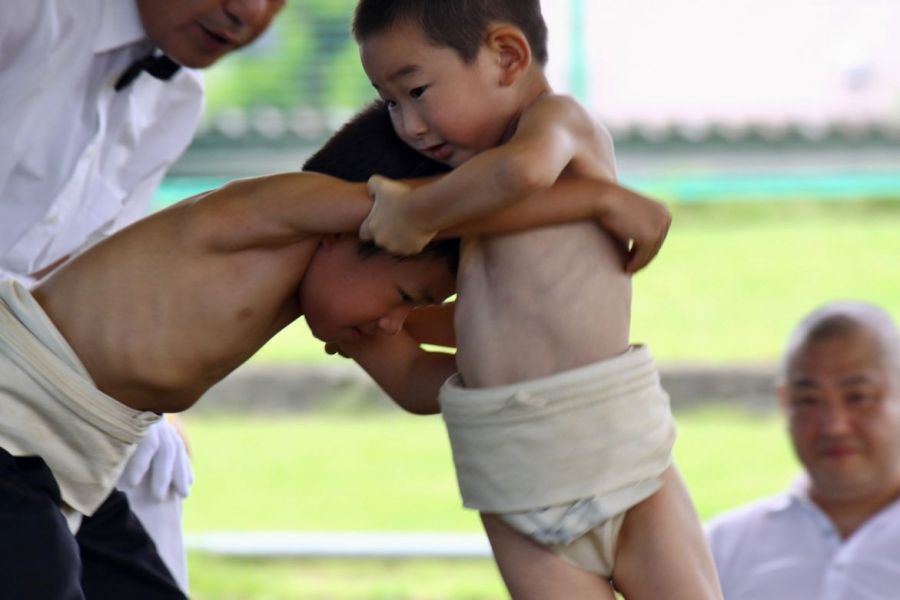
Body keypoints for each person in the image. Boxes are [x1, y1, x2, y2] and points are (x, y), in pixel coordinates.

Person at [0, 100, 671, 599]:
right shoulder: (272, 212)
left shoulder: (335, 297)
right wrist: (598, 201)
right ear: (355, 231)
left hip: (70, 467)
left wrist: (543, 373)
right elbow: (423, 209)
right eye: (407, 293)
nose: (397, 322)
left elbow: (413, 382)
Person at [347, 1, 721, 598]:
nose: (409, 125)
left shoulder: (559, 123)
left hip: (621, 458)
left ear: (507, 56)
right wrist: (394, 319)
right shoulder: (471, 187)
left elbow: (521, 172)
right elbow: (501, 316)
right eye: (391, 102)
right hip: (511, 477)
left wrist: (420, 213)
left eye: (416, 90)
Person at [0, 0, 285, 589]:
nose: (248, 12)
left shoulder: (177, 100)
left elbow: (92, 271)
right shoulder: (27, 19)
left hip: (41, 383)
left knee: (152, 495)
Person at [706, 301, 900, 600]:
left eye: (858, 397)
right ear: (785, 402)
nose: (835, 426)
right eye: (809, 400)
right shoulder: (719, 549)